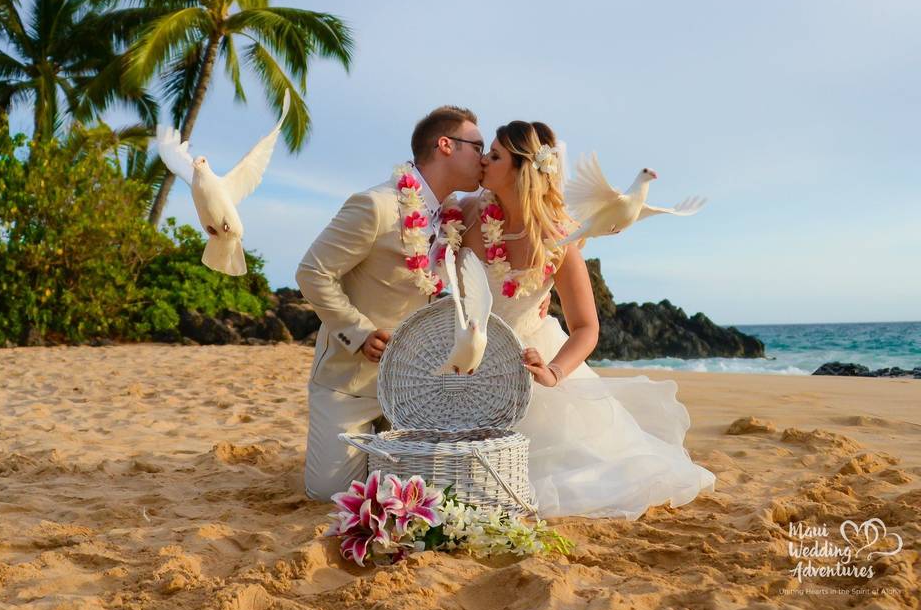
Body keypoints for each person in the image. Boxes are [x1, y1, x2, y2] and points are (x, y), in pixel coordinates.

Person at [455, 120, 716, 519]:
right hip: (462, 358)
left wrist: (554, 372)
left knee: (567, 476)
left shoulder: (560, 241)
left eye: (495, 155)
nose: (483, 161)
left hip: (526, 361)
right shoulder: (465, 212)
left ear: (522, 170)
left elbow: (586, 327)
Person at [296, 106, 486, 500]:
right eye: (478, 146)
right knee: (329, 495)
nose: (483, 158)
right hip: (349, 382)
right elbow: (312, 272)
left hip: (414, 386)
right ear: (446, 145)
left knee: (430, 495)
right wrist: (360, 333)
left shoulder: (454, 218)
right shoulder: (375, 206)